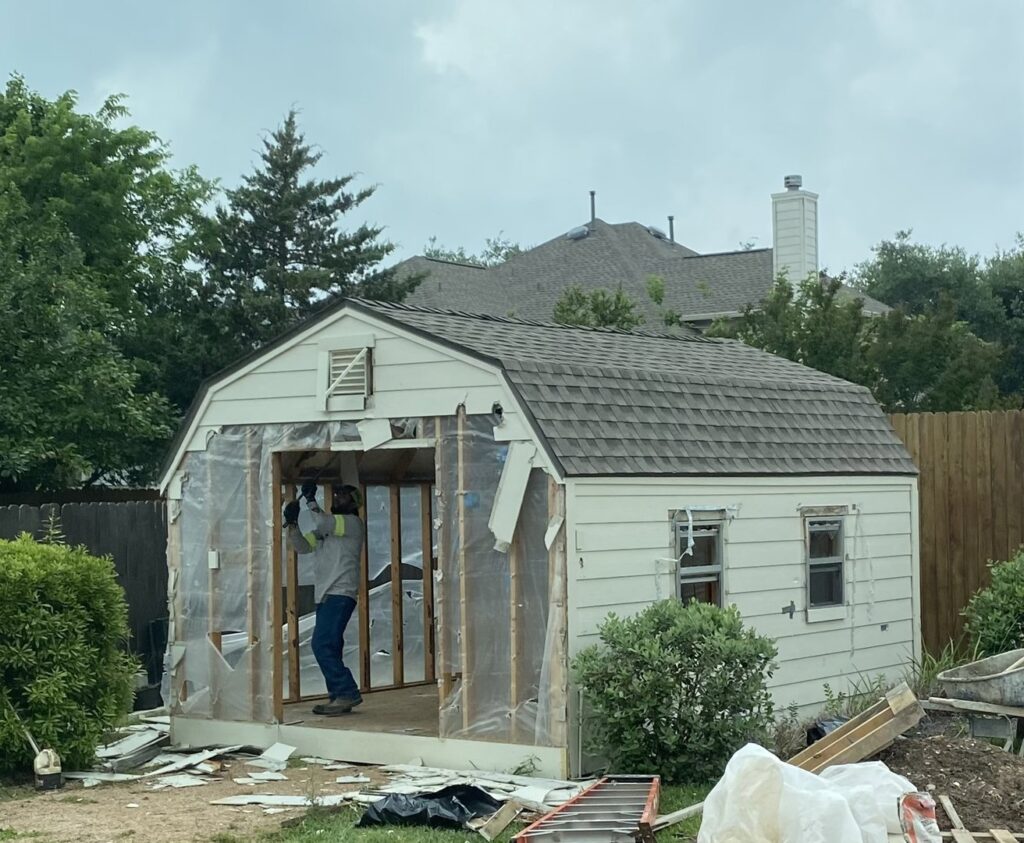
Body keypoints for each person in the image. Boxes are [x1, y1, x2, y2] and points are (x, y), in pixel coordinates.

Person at [282, 482, 365, 716]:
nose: (338, 497)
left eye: (343, 496)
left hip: (340, 592)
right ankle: (339, 697)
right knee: (331, 645)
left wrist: (310, 501)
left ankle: (346, 691)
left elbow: (323, 521)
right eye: (336, 494)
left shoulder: (351, 523)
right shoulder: (328, 529)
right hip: (327, 595)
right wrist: (292, 524)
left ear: (354, 503)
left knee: (321, 644)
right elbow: (301, 547)